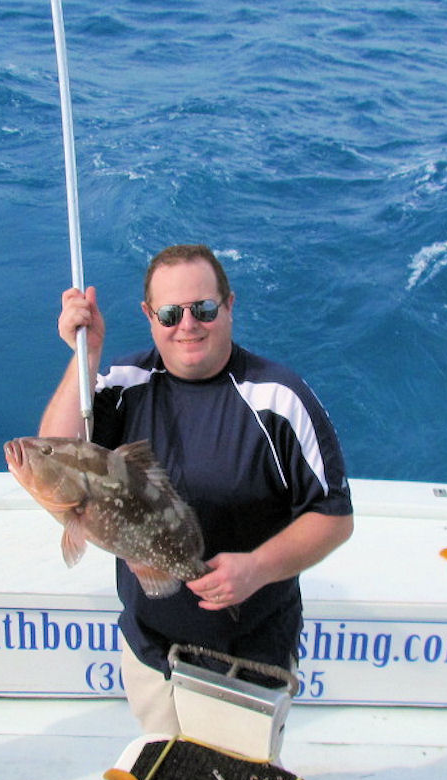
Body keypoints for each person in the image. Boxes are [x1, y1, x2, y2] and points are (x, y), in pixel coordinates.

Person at [40, 244, 353, 734]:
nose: (187, 325)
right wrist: (86, 354)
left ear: (229, 306)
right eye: (170, 313)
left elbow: (333, 518)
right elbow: (55, 458)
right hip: (149, 647)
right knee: (166, 769)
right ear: (149, 316)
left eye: (203, 309)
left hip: (247, 654)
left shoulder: (279, 400)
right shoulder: (121, 383)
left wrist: (256, 568)